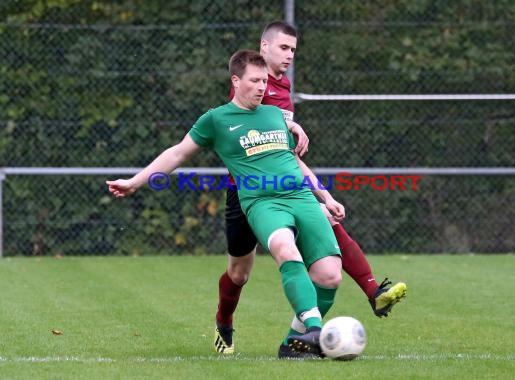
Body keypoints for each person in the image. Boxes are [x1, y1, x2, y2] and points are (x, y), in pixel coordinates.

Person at [107, 49, 343, 358]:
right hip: (261, 202)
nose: (262, 87)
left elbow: (294, 162)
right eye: (255, 81)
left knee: (330, 276)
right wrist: (135, 181)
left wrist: (325, 196)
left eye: (264, 81)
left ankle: (294, 343)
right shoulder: (216, 119)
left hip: (299, 197)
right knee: (257, 264)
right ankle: (309, 328)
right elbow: (177, 153)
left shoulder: (274, 114)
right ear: (236, 80)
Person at [214, 21, 407, 359]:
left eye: (293, 50)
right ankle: (224, 323)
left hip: (287, 192)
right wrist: (291, 125)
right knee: (239, 274)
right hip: (248, 195)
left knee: (325, 230)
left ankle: (317, 327)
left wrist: (324, 196)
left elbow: (286, 155)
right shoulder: (252, 83)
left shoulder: (283, 86)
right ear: (264, 47)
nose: (289, 56)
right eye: (284, 48)